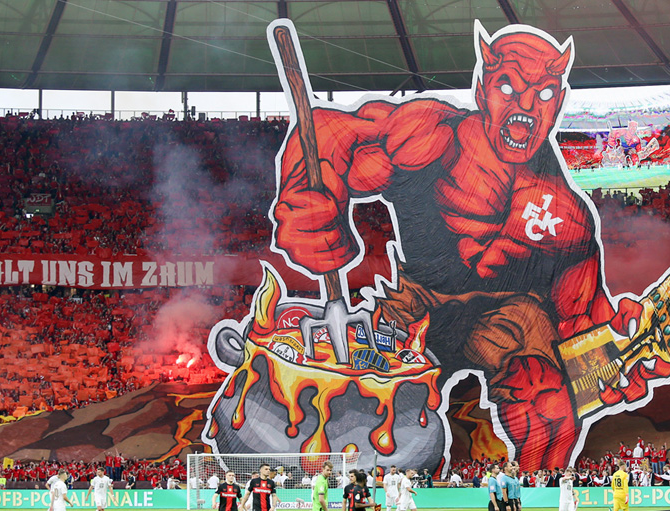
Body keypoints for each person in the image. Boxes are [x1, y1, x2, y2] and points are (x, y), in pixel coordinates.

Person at [273, 23, 648, 471]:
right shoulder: (434, 136)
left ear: (559, 102)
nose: (526, 106)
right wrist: (307, 200)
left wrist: (617, 356)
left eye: (544, 94)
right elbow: (334, 133)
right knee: (365, 407)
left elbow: (582, 318)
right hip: (417, 304)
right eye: (509, 86)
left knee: (547, 400)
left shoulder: (568, 216)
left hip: (506, 314)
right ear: (482, 86)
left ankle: (536, 499)